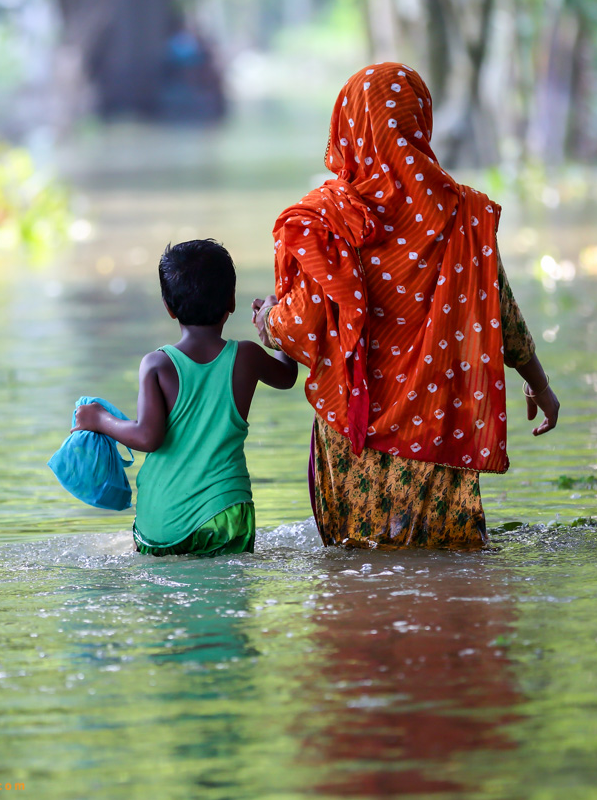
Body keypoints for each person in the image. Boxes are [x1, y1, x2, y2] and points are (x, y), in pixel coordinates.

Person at [252, 62, 559, 551]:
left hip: (354, 434)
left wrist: (268, 318)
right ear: (420, 121)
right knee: (447, 570)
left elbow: (303, 328)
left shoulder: (330, 219)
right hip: (438, 427)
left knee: (357, 580)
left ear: (349, 124)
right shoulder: (464, 213)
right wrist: (539, 384)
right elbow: (498, 307)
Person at [73, 239, 297, 556]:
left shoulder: (158, 364)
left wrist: (100, 420)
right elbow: (288, 377)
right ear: (231, 301)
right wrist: (275, 325)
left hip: (165, 521)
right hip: (228, 513)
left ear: (168, 307)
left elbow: (147, 436)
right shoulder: (247, 356)